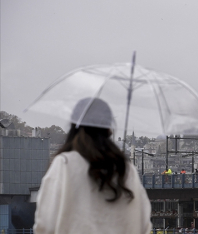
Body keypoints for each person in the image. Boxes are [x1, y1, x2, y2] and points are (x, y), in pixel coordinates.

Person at [34, 98, 152, 234]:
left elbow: (45, 224)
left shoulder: (64, 164)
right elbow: (144, 224)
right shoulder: (126, 169)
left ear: (74, 126)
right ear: (108, 129)